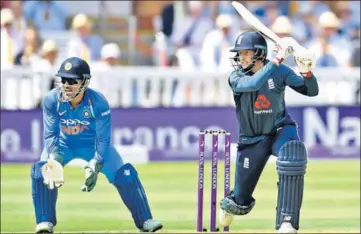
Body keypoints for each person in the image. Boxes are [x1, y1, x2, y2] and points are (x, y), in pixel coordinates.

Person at [31, 57, 163, 233]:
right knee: (43, 170)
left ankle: (145, 221)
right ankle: (44, 222)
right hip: (63, 145)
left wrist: (97, 162)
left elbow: (103, 139)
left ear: (85, 82)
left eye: (72, 81)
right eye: (63, 80)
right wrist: (54, 158)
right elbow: (50, 134)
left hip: (93, 145)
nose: (66, 85)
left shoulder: (98, 102)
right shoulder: (51, 100)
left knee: (125, 174)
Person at [218, 31, 319, 233]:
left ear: (260, 54)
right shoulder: (236, 77)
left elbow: (311, 91)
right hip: (252, 140)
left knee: (293, 154)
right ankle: (233, 201)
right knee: (241, 201)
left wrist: (306, 71)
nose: (241, 58)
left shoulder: (279, 71)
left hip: (279, 129)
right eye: (240, 54)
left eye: (246, 53)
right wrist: (278, 57)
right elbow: (254, 83)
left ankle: (287, 222)